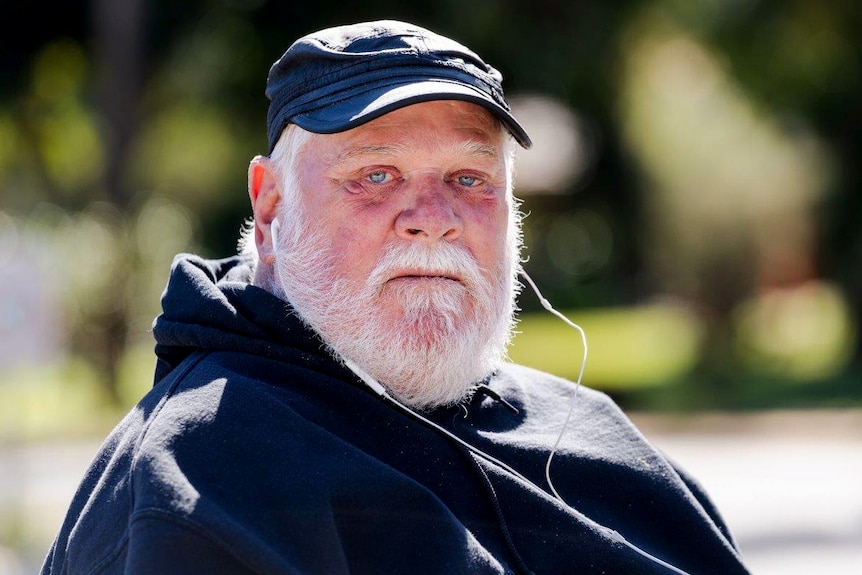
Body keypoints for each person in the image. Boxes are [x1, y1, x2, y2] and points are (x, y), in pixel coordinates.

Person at [42, 20, 751, 575]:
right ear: (270, 206)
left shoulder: (593, 432)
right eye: (376, 175)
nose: (433, 215)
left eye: (471, 179)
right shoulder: (202, 481)